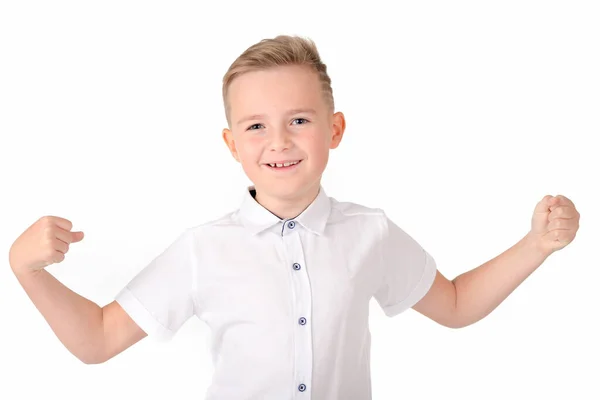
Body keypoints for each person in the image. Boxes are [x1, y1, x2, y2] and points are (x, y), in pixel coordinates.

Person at [8, 35, 580, 399]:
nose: (278, 141)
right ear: (233, 144)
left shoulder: (370, 233)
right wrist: (26, 268)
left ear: (334, 130)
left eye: (299, 120)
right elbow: (99, 340)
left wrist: (535, 244)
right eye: (256, 125)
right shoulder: (202, 249)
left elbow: (454, 305)